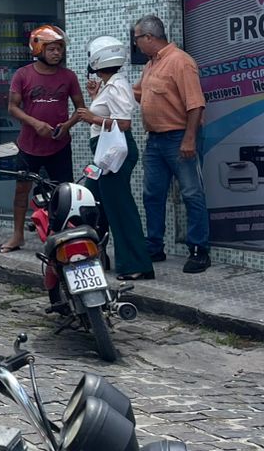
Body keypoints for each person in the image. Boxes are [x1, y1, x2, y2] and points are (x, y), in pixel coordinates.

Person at [0, 25, 83, 254]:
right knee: (21, 190)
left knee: (64, 192)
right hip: (29, 145)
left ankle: (62, 236)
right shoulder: (23, 75)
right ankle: (17, 235)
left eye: (60, 49)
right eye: (52, 49)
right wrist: (35, 123)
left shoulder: (69, 76)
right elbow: (13, 108)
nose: (57, 54)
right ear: (38, 49)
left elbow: (80, 109)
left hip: (59, 145)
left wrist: (67, 126)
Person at [132, 15, 211, 273]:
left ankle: (199, 250)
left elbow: (196, 104)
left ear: (149, 37)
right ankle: (154, 246)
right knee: (152, 195)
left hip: (179, 138)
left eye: (137, 38)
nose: (136, 44)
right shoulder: (152, 64)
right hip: (155, 140)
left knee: (191, 193)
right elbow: (139, 94)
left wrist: (189, 139)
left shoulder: (180, 61)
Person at [77, 36, 153, 281]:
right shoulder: (109, 85)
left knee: (120, 208)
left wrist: (93, 118)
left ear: (97, 59)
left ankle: (135, 264)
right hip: (104, 153)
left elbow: (124, 123)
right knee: (92, 202)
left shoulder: (118, 84)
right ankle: (95, 255)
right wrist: (94, 100)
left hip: (113, 154)